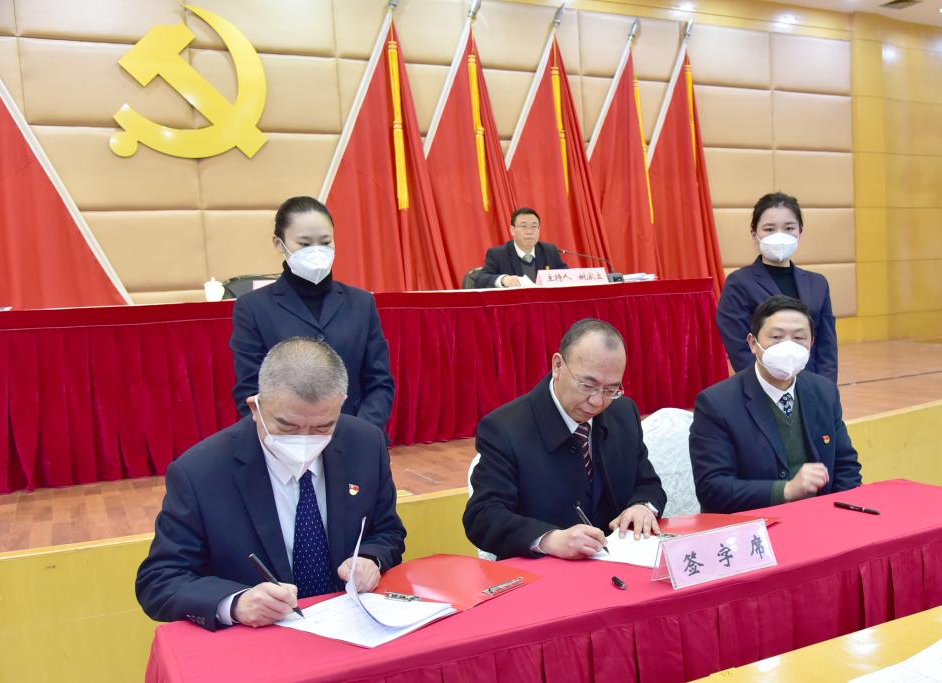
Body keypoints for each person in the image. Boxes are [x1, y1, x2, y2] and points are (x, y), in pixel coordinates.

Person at [137, 337, 405, 631]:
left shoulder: (365, 445)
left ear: (340, 405)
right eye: (287, 427)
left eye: (322, 427)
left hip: (352, 628)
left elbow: (387, 532)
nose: (304, 440)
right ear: (256, 407)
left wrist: (370, 559)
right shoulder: (200, 472)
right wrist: (236, 603)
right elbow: (160, 580)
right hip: (258, 640)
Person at [463, 318, 666, 560]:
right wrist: (550, 539)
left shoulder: (622, 413)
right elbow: (483, 516)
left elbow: (648, 484)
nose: (597, 401)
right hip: (542, 572)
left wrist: (642, 506)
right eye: (587, 385)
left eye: (611, 389)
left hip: (618, 565)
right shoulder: (505, 428)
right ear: (558, 366)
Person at [230, 196, 394, 432]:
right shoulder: (253, 307)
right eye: (305, 244)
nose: (317, 251)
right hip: (287, 440)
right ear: (279, 243)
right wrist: (290, 435)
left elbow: (380, 382)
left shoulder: (361, 302)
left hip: (356, 436)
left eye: (325, 242)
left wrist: (357, 434)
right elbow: (250, 389)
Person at [691, 296, 861, 514]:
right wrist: (785, 490)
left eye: (799, 338)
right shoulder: (716, 403)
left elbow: (846, 466)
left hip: (821, 516)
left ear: (811, 343)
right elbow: (712, 488)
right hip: (754, 523)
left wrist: (840, 514)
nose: (788, 347)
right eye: (777, 337)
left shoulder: (824, 392)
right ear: (753, 343)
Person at [716, 192, 838, 383]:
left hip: (812, 383)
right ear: (755, 235)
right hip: (764, 386)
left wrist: (825, 388)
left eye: (789, 228)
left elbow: (827, 345)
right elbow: (739, 347)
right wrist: (771, 386)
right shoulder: (738, 283)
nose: (780, 235)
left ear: (800, 232)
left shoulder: (818, 283)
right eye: (769, 229)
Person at [474, 207, 569, 288]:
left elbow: (568, 276)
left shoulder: (549, 251)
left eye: (534, 226)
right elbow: (480, 279)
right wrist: (503, 280)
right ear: (512, 230)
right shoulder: (498, 254)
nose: (529, 231)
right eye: (524, 226)